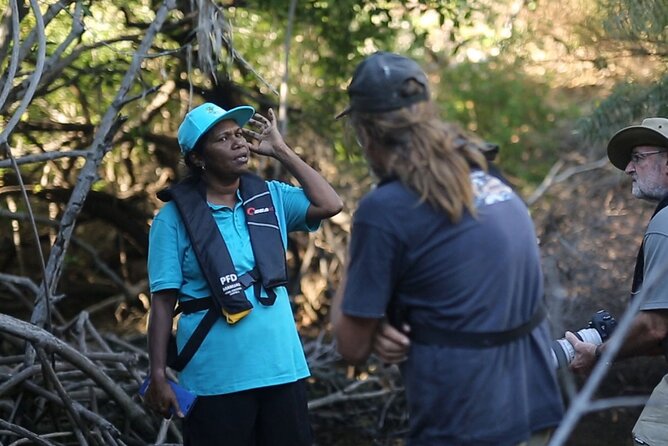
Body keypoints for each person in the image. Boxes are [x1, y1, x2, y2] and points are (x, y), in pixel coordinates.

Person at [331, 51, 563, 446]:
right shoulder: (483, 170)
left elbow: (350, 345)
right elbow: (473, 279)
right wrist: (390, 321)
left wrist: (360, 253)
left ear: (364, 133)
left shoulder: (385, 208)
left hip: (465, 420)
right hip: (537, 404)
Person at [144, 102, 342, 446]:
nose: (238, 143)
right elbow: (162, 303)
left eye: (239, 134)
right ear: (198, 159)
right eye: (223, 138)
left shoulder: (272, 197)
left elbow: (330, 203)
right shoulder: (171, 220)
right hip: (216, 380)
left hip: (282, 369)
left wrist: (281, 151)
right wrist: (158, 374)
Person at [566, 117, 668, 446]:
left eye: (639, 158)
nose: (628, 168)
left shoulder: (665, 224)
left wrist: (598, 353)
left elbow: (655, 328)